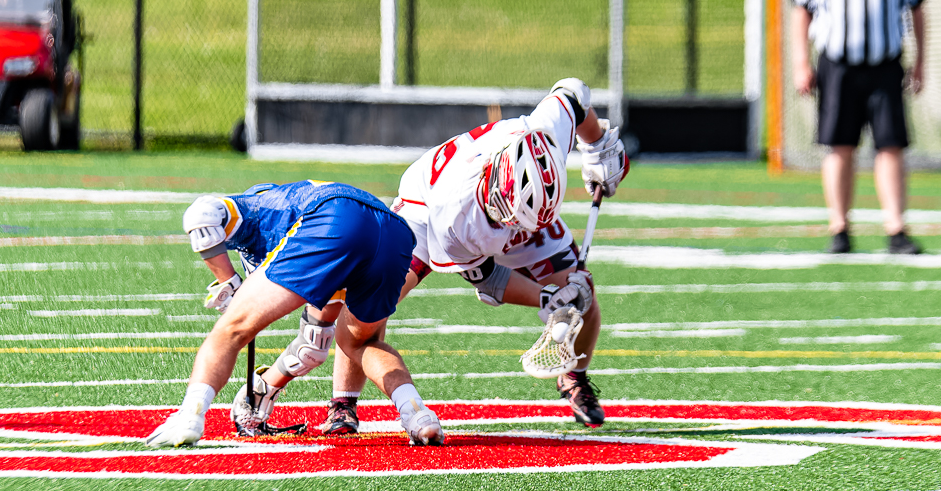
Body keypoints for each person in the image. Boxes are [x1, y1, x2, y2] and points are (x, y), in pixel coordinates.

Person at [308, 78, 628, 434]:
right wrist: (547, 298)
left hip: (522, 207)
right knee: (370, 305)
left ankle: (574, 377)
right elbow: (489, 282)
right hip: (424, 210)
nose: (512, 232)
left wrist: (596, 144)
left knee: (584, 297)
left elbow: (573, 94)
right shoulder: (456, 214)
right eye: (508, 221)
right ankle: (343, 402)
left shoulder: (544, 133)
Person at [145, 180, 444, 448]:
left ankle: (190, 416)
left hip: (336, 216)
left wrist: (228, 281)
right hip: (393, 234)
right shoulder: (303, 223)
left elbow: (201, 215)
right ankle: (418, 414)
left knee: (231, 329)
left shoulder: (257, 211)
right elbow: (314, 343)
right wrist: (267, 387)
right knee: (359, 344)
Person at [791, 0, 928, 255]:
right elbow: (802, 7)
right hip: (838, 63)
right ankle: (840, 228)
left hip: (885, 62)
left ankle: (896, 228)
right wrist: (802, 62)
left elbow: (917, 3)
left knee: (891, 146)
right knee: (839, 145)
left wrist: (920, 60)